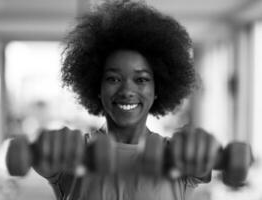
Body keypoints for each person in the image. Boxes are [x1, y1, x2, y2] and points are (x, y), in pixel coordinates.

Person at [31, 1, 222, 200]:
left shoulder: (178, 158)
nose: (127, 91)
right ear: (97, 86)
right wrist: (46, 144)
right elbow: (36, 157)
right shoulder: (71, 155)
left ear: (158, 89)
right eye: (113, 79)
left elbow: (209, 162)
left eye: (141, 80)